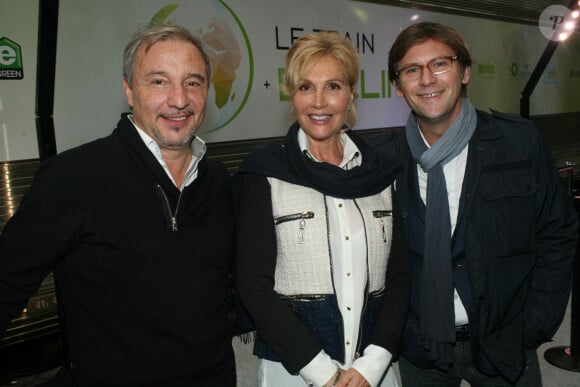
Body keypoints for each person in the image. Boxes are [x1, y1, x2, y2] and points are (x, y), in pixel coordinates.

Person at [0, 24, 236, 386]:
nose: (179, 99)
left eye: (193, 82)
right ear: (129, 90)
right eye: (159, 82)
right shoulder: (74, 177)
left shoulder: (219, 182)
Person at [379, 21, 578, 386]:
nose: (427, 79)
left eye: (440, 63)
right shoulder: (384, 159)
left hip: (505, 341)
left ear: (465, 71)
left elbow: (558, 233)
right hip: (421, 351)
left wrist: (533, 325)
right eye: (412, 69)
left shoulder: (518, 143)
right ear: (397, 86)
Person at [235, 31, 410, 387]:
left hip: (373, 371)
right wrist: (322, 372)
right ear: (291, 94)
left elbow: (401, 277)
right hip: (293, 371)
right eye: (305, 87)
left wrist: (372, 364)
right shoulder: (265, 173)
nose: (318, 102)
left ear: (350, 93)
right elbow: (253, 286)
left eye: (332, 86)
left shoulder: (382, 171)